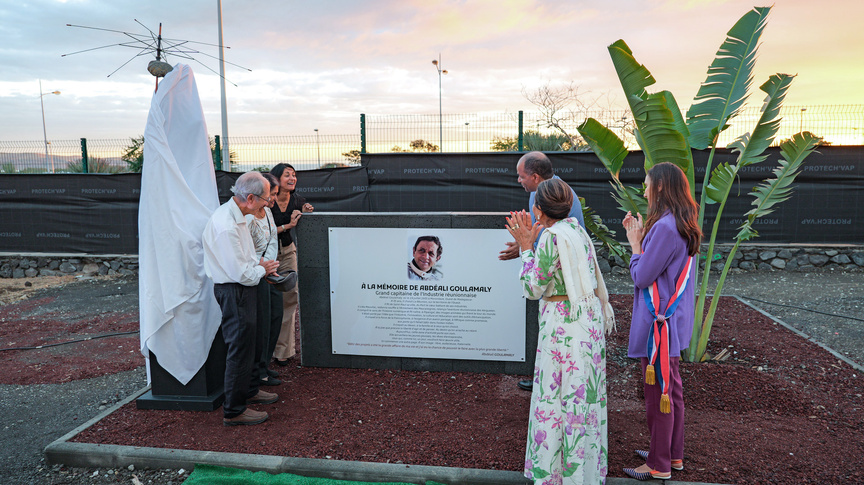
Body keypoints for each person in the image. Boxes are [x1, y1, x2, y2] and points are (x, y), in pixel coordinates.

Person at [506, 178, 615, 485]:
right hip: (587, 324)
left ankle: (557, 476)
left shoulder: (552, 238)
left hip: (563, 330)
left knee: (558, 399)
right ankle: (584, 474)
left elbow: (532, 287)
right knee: (584, 399)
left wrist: (527, 247)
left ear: (538, 210)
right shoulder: (578, 231)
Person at [621, 162, 702, 481]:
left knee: (659, 394)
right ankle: (672, 454)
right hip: (674, 321)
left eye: (645, 184)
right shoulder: (680, 223)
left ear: (658, 187)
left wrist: (635, 244)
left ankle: (659, 464)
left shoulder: (665, 228)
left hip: (658, 327)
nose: (642, 190)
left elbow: (641, 276)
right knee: (673, 391)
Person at [500, 151, 586, 392]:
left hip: (562, 297)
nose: (518, 180)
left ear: (535, 177)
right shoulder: (549, 194)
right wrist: (524, 243)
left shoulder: (548, 198)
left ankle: (553, 385)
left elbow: (533, 286)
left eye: (521, 176)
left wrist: (526, 248)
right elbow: (544, 235)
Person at [203, 171, 281, 426]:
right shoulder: (226, 225)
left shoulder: (238, 216)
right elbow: (243, 273)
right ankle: (234, 410)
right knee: (239, 348)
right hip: (234, 290)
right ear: (250, 198)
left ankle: (248, 391)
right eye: (266, 199)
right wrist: (264, 269)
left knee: (250, 344)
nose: (268, 204)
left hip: (241, 289)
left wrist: (259, 265)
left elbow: (246, 260)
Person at [269, 163, 314, 366]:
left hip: (287, 252)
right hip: (267, 255)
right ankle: (266, 348)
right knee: (268, 301)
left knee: (290, 298)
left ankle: (283, 352)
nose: (292, 178)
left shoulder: (297, 200)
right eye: (287, 175)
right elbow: (264, 232)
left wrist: (306, 211)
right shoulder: (267, 201)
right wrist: (289, 225)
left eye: (294, 175)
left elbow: (304, 214)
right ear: (276, 179)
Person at [245, 173, 285, 387]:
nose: (273, 199)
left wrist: (270, 265)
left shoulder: (268, 213)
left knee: (274, 316)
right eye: (271, 194)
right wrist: (262, 266)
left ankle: (264, 364)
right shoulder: (249, 216)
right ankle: (257, 371)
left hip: (269, 270)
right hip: (254, 271)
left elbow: (272, 239)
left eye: (276, 195)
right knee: (261, 322)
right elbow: (247, 247)